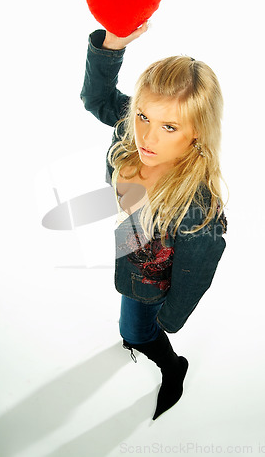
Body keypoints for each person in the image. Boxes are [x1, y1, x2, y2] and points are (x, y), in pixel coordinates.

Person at [80, 22, 228, 420]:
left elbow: (196, 271)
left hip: (152, 283)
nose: (146, 136)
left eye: (169, 127)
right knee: (131, 315)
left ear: (197, 132)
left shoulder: (198, 207)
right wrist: (110, 46)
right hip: (131, 250)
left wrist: (169, 318)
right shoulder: (134, 130)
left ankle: (169, 363)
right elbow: (97, 98)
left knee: (137, 330)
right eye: (143, 115)